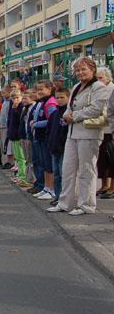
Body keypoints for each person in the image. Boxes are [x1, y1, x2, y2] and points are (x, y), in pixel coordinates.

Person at [48, 57, 108, 216]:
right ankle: (65, 202)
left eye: (83, 69)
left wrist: (74, 116)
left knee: (86, 170)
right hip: (72, 133)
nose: (80, 72)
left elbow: (95, 109)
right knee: (67, 169)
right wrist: (68, 115)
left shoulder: (99, 87)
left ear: (92, 69)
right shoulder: (75, 87)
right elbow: (68, 107)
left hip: (89, 133)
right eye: (78, 70)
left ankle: (86, 205)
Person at [31, 81, 58, 201]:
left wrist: (36, 124)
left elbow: (52, 120)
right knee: (44, 163)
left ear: (49, 89)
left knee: (48, 164)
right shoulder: (43, 102)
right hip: (41, 137)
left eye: (42, 89)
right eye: (38, 89)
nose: (39, 92)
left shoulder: (51, 103)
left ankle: (51, 189)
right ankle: (46, 188)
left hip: (47, 137)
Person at [47, 88, 70, 206]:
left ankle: (63, 197)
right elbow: (49, 129)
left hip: (64, 148)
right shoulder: (55, 114)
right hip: (54, 148)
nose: (59, 100)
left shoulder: (67, 114)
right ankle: (57, 196)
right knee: (56, 174)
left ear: (68, 98)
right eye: (57, 97)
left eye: (62, 97)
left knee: (63, 173)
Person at [95, 68, 114, 198]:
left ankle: (112, 186)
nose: (99, 81)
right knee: (102, 160)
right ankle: (104, 184)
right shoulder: (97, 90)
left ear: (108, 78)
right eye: (97, 78)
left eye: (101, 78)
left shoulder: (111, 90)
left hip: (109, 129)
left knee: (111, 158)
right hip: (100, 128)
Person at [7, 90, 26, 185]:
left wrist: (15, 109)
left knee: (22, 158)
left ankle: (23, 176)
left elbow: (20, 121)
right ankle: (19, 175)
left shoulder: (21, 107)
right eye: (13, 98)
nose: (15, 100)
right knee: (18, 157)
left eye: (17, 98)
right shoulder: (12, 107)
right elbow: (10, 121)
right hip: (13, 135)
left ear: (21, 97)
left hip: (19, 136)